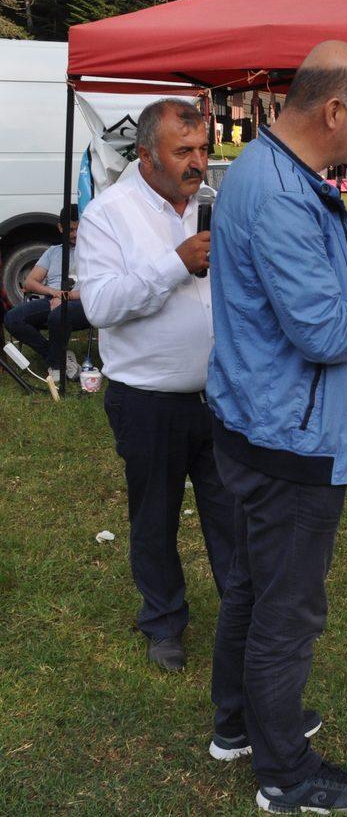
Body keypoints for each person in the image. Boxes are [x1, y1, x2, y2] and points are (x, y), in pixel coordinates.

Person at [206, 41, 347, 814]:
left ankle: (241, 723)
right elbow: (323, 331)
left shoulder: (273, 172)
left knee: (252, 586)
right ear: (334, 110)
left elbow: (307, 281)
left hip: (257, 420)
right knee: (286, 610)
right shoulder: (277, 191)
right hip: (289, 435)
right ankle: (286, 774)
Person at [76, 99, 235, 673]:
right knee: (155, 516)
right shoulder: (109, 214)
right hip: (146, 400)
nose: (199, 163)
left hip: (220, 396)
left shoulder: (214, 205)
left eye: (203, 149)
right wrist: (174, 264)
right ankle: (164, 623)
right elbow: (98, 305)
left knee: (230, 512)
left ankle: (242, 616)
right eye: (184, 152)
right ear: (146, 155)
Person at [3, 205, 90, 382]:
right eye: (70, 229)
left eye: (79, 229)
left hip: (81, 302)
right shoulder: (53, 252)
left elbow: (98, 288)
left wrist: (65, 297)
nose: (75, 234)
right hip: (53, 300)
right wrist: (54, 293)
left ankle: (57, 366)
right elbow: (30, 282)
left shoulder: (94, 252)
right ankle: (58, 357)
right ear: (60, 228)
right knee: (12, 319)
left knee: (58, 315)